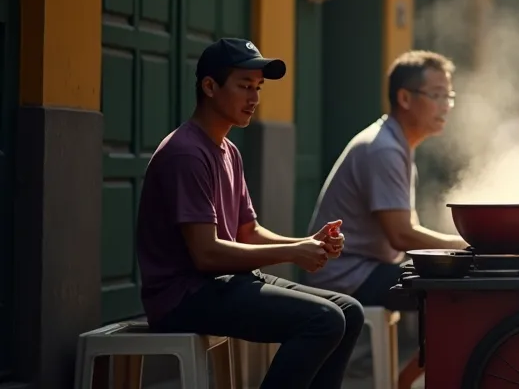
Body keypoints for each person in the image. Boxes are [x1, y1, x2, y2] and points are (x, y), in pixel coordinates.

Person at [135, 38, 363, 389]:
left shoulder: (228, 150)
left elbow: (248, 231)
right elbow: (206, 254)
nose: (254, 98)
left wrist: (307, 242)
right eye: (244, 86)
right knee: (323, 320)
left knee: (349, 311)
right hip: (184, 296)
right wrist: (293, 253)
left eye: (257, 88)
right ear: (210, 87)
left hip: (225, 283)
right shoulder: (186, 153)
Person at [304, 50, 466, 307]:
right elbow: (402, 236)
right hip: (348, 276)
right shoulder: (383, 148)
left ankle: (432, 350)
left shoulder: (398, 144)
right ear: (404, 98)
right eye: (437, 95)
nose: (445, 104)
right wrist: (468, 247)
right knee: (458, 289)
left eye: (449, 96)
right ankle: (433, 350)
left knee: (461, 282)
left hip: (371, 268)